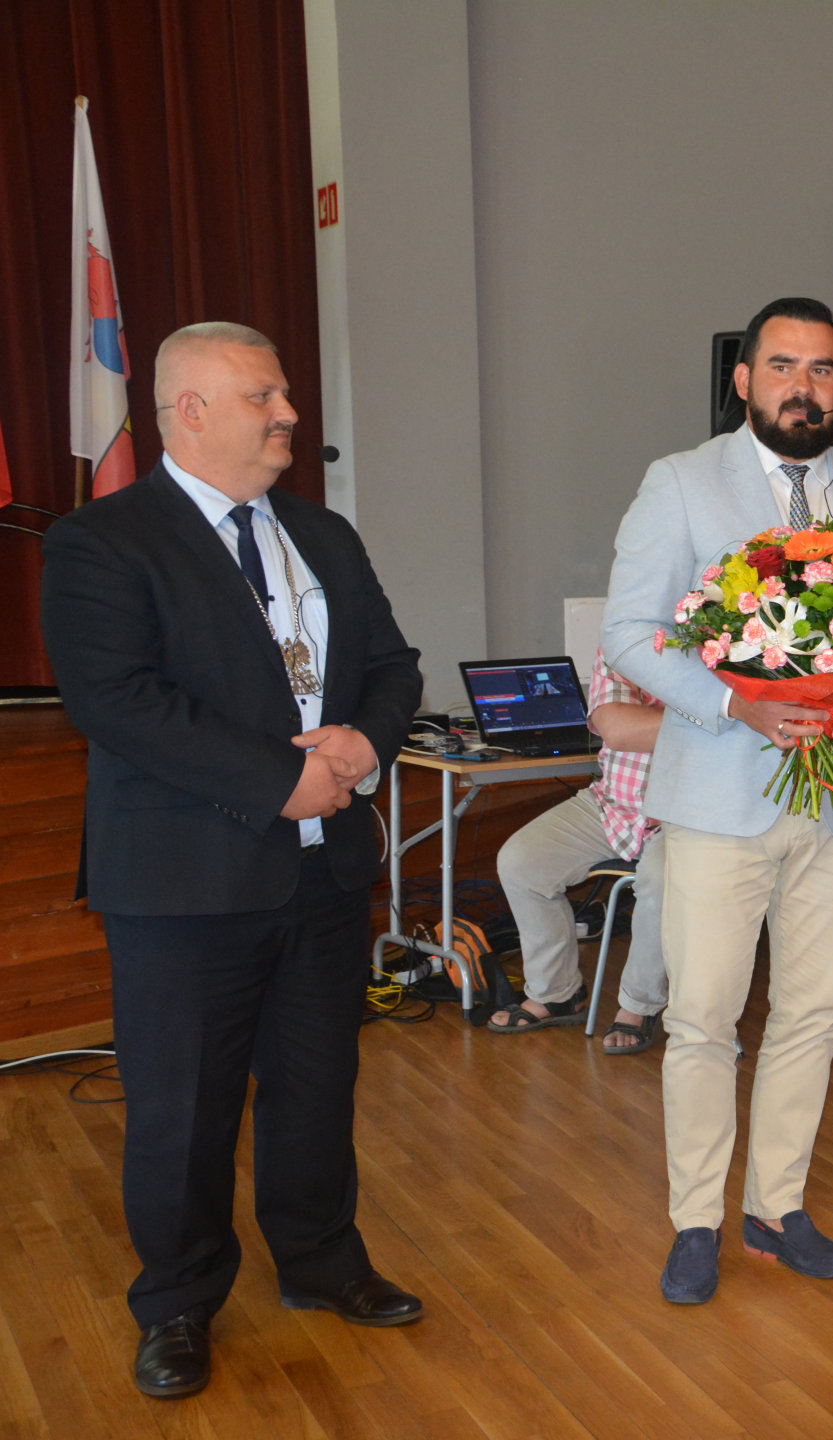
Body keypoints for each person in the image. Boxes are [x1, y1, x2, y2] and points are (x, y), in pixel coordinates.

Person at [38, 322, 425, 1399]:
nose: (289, 413)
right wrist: (276, 779)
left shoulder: (324, 534)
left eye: (286, 393)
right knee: (182, 1110)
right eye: (265, 396)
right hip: (185, 882)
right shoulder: (102, 541)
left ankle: (321, 1261)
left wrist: (367, 743)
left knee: (318, 1087)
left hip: (321, 873)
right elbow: (116, 701)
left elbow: (393, 665)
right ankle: (177, 1301)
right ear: (191, 410)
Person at [602, 296, 833, 1302]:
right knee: (703, 1017)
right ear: (744, 381)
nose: (804, 386)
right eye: (783, 366)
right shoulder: (679, 482)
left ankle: (775, 1207)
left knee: (814, 1012)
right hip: (717, 796)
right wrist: (733, 704)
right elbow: (629, 633)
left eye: (822, 369)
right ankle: (695, 1220)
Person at [487, 650, 669, 1052]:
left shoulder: (721, 640)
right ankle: (557, 993)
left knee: (660, 881)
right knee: (521, 862)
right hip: (612, 803)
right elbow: (618, 730)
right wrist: (714, 719)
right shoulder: (623, 643)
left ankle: (639, 1006)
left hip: (684, 818)